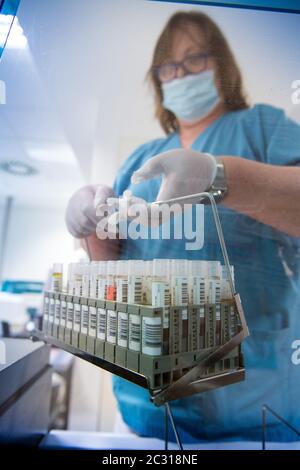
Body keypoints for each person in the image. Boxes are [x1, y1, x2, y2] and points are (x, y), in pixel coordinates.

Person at [65, 11, 300, 443]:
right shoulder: (142, 159)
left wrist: (221, 176)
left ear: (221, 65)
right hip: (145, 408)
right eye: (169, 66)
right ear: (158, 80)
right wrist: (87, 227)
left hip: (254, 407)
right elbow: (114, 264)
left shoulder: (262, 128)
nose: (181, 74)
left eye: (194, 59)